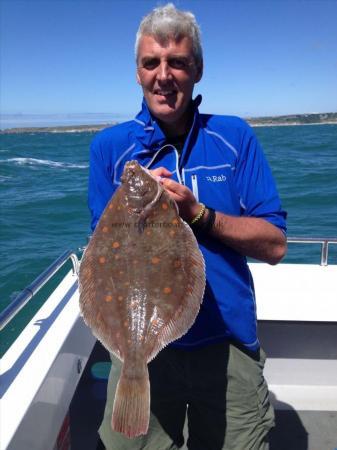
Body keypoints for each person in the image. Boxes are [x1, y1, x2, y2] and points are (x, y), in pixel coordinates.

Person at [89, 3, 287, 449]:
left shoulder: (234, 137)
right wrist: (135, 206)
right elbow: (102, 252)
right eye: (151, 63)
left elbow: (275, 246)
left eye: (177, 62)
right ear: (137, 73)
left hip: (227, 340)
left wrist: (199, 215)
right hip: (139, 346)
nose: (164, 74)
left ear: (197, 70)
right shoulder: (109, 148)